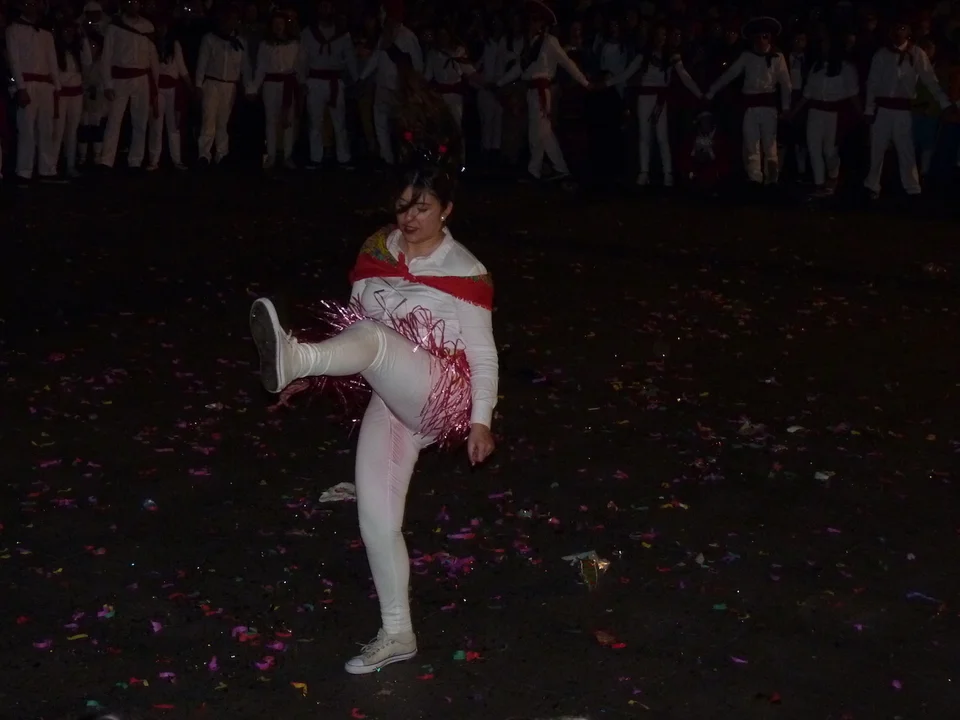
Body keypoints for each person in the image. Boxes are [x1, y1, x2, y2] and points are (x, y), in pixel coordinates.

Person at [248, 77, 497, 676]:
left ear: (448, 210)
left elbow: (484, 353)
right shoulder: (376, 251)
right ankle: (398, 632)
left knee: (377, 339)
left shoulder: (466, 269)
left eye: (423, 208)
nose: (409, 217)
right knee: (377, 520)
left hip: (443, 395)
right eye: (403, 205)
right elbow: (355, 330)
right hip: (393, 395)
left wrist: (482, 420)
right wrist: (319, 373)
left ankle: (294, 357)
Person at [495, 0, 590, 182]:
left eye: (536, 20)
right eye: (531, 20)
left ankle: (555, 169)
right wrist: (499, 83)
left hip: (541, 91)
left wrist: (585, 82)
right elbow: (520, 68)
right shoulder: (531, 44)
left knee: (542, 133)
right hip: (532, 92)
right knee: (538, 133)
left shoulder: (549, 41)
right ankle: (538, 170)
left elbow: (567, 63)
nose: (532, 24)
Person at [863, 17, 953, 199]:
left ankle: (912, 187)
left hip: (903, 110)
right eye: (896, 28)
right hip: (883, 109)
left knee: (906, 149)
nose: (899, 32)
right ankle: (872, 184)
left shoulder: (917, 53)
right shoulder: (882, 54)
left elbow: (930, 80)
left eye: (903, 28)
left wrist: (944, 103)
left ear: (909, 32)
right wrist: (869, 109)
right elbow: (872, 83)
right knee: (877, 148)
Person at [604, 23, 703, 187]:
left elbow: (685, 77)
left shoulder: (672, 56)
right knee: (644, 136)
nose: (661, 38)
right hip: (644, 98)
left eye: (664, 34)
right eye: (658, 34)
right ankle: (644, 172)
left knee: (662, 137)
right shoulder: (643, 55)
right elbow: (626, 74)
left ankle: (667, 174)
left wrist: (700, 94)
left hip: (660, 99)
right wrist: (605, 83)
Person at [706, 16, 792, 186]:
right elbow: (729, 75)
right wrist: (711, 91)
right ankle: (754, 180)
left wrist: (786, 107)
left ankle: (772, 180)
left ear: (770, 38)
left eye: (765, 36)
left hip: (768, 108)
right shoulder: (747, 56)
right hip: (750, 107)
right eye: (758, 37)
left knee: (770, 145)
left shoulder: (777, 57)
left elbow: (786, 84)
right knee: (751, 144)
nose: (761, 40)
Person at [787, 36, 860, 197]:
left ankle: (833, 175)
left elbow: (853, 94)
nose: (823, 48)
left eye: (827, 44)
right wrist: (794, 112)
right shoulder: (816, 67)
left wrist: (863, 113)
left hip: (834, 114)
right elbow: (807, 94)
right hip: (815, 113)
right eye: (822, 44)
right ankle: (819, 184)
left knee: (829, 151)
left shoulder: (846, 68)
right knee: (813, 148)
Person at [359, 0, 423, 165]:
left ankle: (406, 158)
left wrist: (412, 86)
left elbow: (417, 64)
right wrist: (362, 78)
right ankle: (387, 159)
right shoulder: (384, 36)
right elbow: (376, 58)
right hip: (383, 88)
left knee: (403, 127)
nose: (380, 17)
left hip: (400, 89)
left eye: (383, 13)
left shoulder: (408, 37)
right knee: (380, 124)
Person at [5, 0, 61, 184]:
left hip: (45, 84)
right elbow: (14, 61)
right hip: (27, 83)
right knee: (27, 129)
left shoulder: (45, 34)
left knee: (46, 128)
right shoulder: (13, 30)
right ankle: (24, 171)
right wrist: (21, 88)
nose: (32, 7)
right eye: (28, 3)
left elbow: (52, 61)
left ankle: (47, 169)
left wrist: (57, 87)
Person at [98, 0, 158, 170]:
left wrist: (155, 83)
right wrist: (107, 84)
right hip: (121, 78)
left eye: (136, 2)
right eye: (130, 2)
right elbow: (106, 56)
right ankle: (106, 161)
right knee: (114, 119)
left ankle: (135, 160)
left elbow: (152, 56)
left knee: (140, 121)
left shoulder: (147, 26)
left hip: (142, 78)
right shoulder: (114, 27)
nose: (133, 5)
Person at [299, 0, 358, 170]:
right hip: (314, 81)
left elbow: (350, 58)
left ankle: (344, 158)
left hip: (335, 82)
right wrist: (302, 81)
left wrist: (356, 79)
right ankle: (315, 158)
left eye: (328, 6)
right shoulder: (308, 33)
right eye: (322, 6)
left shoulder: (343, 34)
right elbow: (302, 58)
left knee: (339, 121)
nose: (325, 10)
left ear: (333, 9)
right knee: (315, 122)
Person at [195, 5, 250, 168]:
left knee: (223, 122)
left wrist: (249, 88)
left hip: (230, 86)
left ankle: (222, 153)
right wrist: (198, 84)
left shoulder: (240, 42)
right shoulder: (210, 39)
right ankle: (204, 154)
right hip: (212, 83)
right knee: (208, 119)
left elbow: (245, 68)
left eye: (233, 19)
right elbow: (202, 63)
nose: (229, 23)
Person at [247, 12, 301, 170]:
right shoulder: (265, 45)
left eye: (281, 23)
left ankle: (287, 155)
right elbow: (261, 68)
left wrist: (302, 83)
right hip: (270, 85)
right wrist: (253, 88)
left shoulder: (294, 44)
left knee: (288, 120)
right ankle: (271, 155)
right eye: (275, 23)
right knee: (271, 120)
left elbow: (299, 66)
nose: (278, 26)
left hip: (288, 84)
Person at [148, 13, 190, 171]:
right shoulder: (151, 45)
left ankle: (177, 160)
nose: (161, 29)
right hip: (158, 89)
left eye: (163, 25)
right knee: (156, 126)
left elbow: (181, 67)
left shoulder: (175, 45)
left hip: (173, 89)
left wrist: (191, 86)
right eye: (158, 26)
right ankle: (154, 161)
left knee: (174, 126)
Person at [52, 19, 86, 178]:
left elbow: (88, 62)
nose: (69, 34)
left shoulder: (77, 51)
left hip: (76, 94)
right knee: (58, 131)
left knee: (72, 132)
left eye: (71, 31)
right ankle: (51, 165)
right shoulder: (55, 51)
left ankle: (70, 165)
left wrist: (83, 38)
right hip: (61, 95)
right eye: (66, 31)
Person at [476, 16, 507, 163]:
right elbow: (476, 65)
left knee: (499, 120)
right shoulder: (484, 44)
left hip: (500, 87)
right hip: (485, 87)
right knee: (487, 120)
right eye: (495, 24)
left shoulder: (505, 43)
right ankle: (486, 151)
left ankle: (495, 151)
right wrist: (483, 82)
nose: (497, 28)